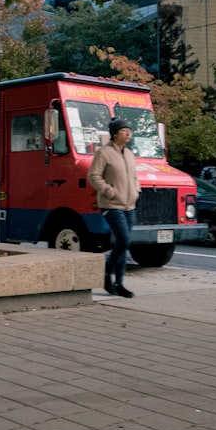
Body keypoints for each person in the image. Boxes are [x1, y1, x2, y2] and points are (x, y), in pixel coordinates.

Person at [87, 118, 140, 298]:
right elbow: (93, 176)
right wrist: (109, 191)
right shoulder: (104, 153)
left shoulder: (130, 154)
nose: (128, 133)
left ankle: (119, 283)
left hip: (129, 205)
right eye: (124, 130)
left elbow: (134, 177)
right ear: (115, 133)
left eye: (129, 131)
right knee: (124, 241)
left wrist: (136, 191)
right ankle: (106, 273)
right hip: (111, 204)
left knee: (122, 245)